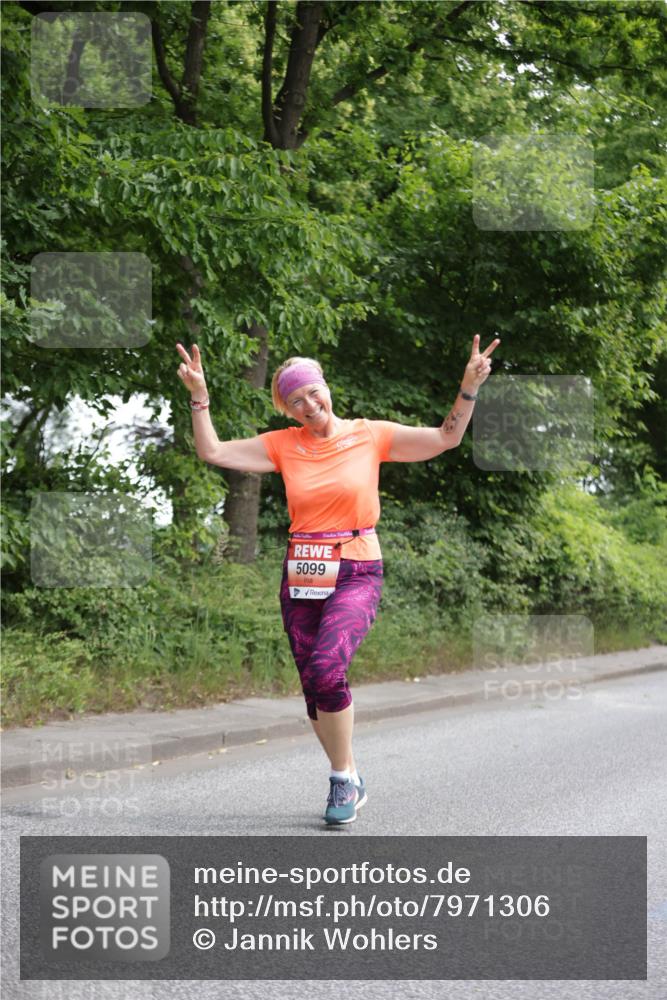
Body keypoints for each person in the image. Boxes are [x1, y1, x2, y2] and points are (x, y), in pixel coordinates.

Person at [176, 334, 499, 825]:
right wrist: (200, 396)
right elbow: (213, 450)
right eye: (295, 400)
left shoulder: (371, 435)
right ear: (287, 409)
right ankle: (346, 771)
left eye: (312, 392)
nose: (308, 405)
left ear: (326, 387)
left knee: (328, 668)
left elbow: (445, 438)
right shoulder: (282, 445)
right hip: (302, 572)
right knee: (314, 686)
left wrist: (468, 387)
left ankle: (341, 778)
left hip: (356, 567)